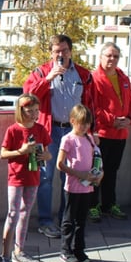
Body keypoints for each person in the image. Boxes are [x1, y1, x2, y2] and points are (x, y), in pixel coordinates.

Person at [23, 34, 94, 239]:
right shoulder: (41, 72)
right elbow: (27, 98)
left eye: (64, 50)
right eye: (56, 51)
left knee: (69, 176)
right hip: (48, 131)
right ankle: (45, 221)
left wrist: (92, 131)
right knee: (45, 177)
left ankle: (66, 219)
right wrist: (48, 79)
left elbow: (91, 104)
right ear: (51, 53)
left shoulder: (83, 75)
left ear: (70, 51)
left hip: (74, 132)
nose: (60, 54)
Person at [0, 94, 51, 262]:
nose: (34, 114)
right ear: (20, 111)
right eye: (30, 111)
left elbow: (48, 153)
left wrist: (46, 156)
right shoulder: (13, 130)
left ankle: (19, 251)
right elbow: (3, 154)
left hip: (33, 178)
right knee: (13, 214)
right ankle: (5, 255)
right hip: (16, 178)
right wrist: (21, 151)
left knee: (25, 214)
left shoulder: (41, 129)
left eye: (36, 110)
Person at [88, 42, 131, 222]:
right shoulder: (94, 78)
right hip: (102, 134)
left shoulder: (123, 77)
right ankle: (92, 206)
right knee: (97, 170)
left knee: (112, 171)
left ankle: (109, 204)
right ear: (100, 57)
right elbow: (93, 106)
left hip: (120, 134)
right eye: (109, 55)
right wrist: (112, 120)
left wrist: (130, 119)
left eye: (115, 56)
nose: (112, 59)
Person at [56, 104, 103, 262]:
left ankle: (79, 249)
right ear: (72, 121)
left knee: (81, 220)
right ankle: (65, 250)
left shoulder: (89, 139)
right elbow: (60, 164)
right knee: (69, 219)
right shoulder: (68, 139)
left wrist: (99, 174)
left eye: (87, 124)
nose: (85, 127)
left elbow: (97, 158)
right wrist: (79, 174)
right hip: (72, 187)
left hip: (87, 186)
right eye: (81, 123)